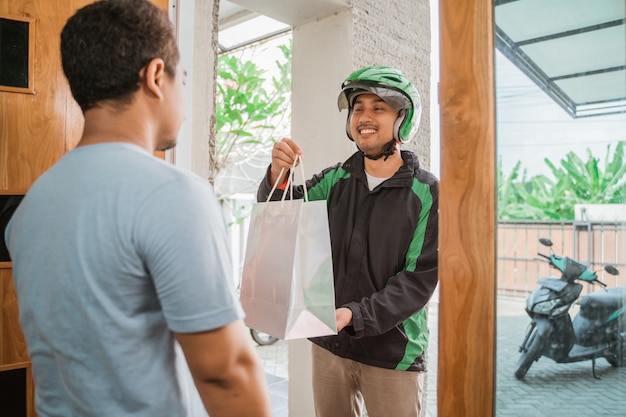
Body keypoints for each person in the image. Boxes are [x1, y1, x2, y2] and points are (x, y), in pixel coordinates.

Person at [4, 1, 272, 416]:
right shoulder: (173, 195)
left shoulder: (32, 206)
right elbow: (227, 372)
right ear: (155, 77)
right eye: (183, 77)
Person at [258, 66, 439, 417]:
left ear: (402, 119)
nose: (365, 117)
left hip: (392, 355)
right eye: (358, 108)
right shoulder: (334, 180)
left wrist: (355, 315)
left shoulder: (426, 193)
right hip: (329, 344)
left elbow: (417, 281)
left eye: (378, 107)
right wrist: (275, 175)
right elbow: (281, 213)